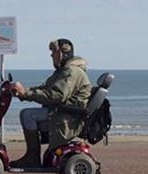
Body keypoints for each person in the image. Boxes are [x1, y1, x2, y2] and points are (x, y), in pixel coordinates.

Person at [10, 38, 91, 167]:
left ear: (63, 52)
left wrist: (26, 94)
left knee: (27, 115)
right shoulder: (63, 71)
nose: (51, 55)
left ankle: (32, 157)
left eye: (54, 51)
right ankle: (32, 156)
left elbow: (57, 96)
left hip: (65, 116)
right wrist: (24, 92)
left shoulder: (71, 72)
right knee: (28, 113)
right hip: (62, 112)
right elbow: (46, 88)